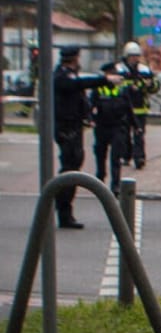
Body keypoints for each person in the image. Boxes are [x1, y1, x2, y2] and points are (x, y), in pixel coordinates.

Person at [50, 46, 103, 228]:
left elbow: (79, 97)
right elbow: (75, 86)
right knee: (69, 169)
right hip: (66, 128)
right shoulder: (61, 77)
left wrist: (88, 116)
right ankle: (63, 211)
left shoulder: (69, 76)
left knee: (74, 164)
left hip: (74, 127)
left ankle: (65, 210)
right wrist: (103, 80)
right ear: (74, 58)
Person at [91, 62, 135, 189]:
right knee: (100, 155)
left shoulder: (122, 88)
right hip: (101, 126)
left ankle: (115, 185)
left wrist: (136, 126)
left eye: (115, 73)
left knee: (116, 157)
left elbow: (129, 108)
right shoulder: (98, 88)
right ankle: (99, 182)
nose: (114, 76)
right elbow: (90, 105)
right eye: (111, 74)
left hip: (117, 126)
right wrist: (90, 118)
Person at [119, 41, 157, 168]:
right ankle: (125, 156)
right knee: (124, 135)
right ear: (126, 56)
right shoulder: (119, 70)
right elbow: (120, 86)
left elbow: (155, 85)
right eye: (132, 56)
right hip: (124, 108)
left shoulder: (144, 70)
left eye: (136, 56)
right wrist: (133, 86)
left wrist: (149, 85)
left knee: (139, 135)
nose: (134, 58)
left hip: (140, 108)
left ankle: (139, 158)